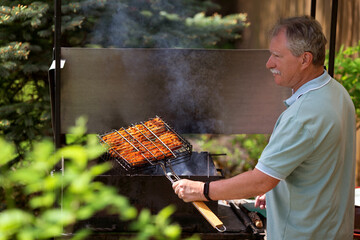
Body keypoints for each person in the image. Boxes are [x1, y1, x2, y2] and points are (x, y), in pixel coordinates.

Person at [172, 15, 356, 240]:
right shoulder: (337, 93)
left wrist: (202, 190)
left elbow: (260, 180)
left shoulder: (302, 115)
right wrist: (279, 191)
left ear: (305, 59)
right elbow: (322, 164)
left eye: (277, 56)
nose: (269, 63)